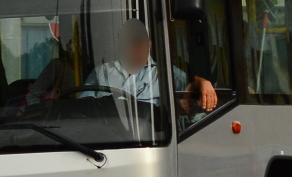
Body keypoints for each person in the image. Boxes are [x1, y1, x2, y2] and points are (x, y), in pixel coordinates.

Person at [88, 19, 218, 114]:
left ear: (149, 45)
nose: (133, 48)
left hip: (150, 143)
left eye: (138, 42)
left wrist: (203, 83)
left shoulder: (165, 73)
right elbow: (84, 108)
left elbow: (189, 85)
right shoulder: (101, 73)